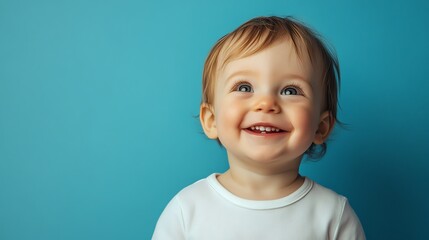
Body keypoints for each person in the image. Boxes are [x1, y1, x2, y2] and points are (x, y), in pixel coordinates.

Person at [152, 16, 365, 239]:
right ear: (211, 120)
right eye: (244, 87)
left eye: (290, 91)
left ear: (321, 128)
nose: (266, 104)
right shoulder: (186, 211)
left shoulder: (334, 216)